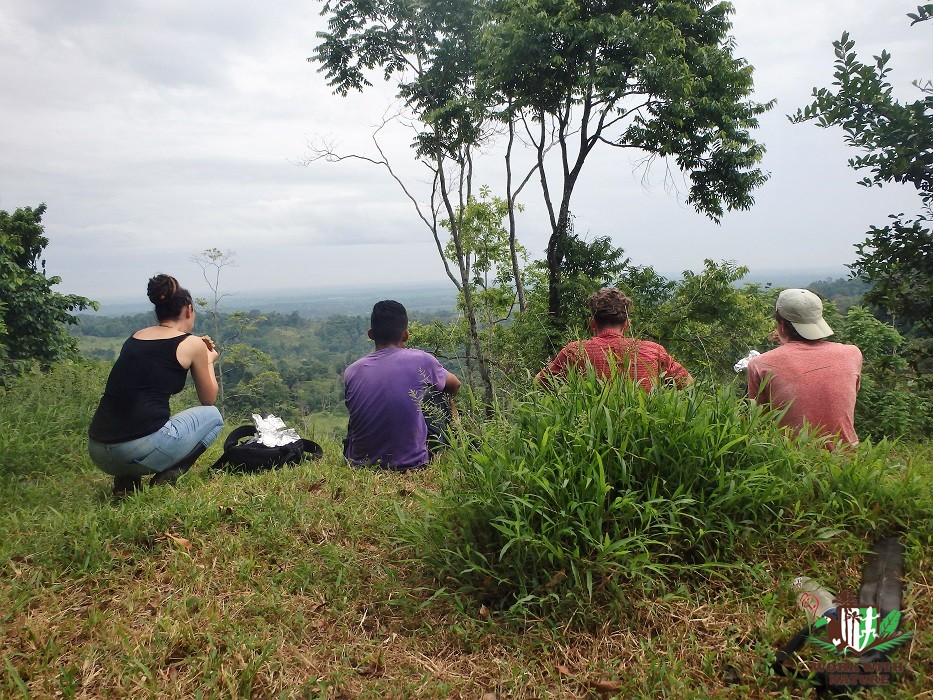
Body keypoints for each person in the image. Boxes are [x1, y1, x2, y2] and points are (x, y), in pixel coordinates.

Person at [88, 274, 224, 498]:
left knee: (139, 416)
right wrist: (208, 360)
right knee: (214, 416)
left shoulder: (135, 337)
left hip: (98, 450)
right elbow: (208, 399)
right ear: (188, 309)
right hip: (137, 450)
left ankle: (126, 482)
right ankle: (168, 475)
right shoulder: (193, 342)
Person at [343, 300, 461, 471]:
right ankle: (456, 442)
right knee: (438, 394)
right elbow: (455, 385)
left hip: (360, 464)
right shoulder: (421, 359)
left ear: (371, 334)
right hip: (412, 464)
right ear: (405, 335)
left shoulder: (351, 371)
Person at [748, 288, 862, 447]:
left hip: (793, 464)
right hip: (847, 463)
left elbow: (758, 422)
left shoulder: (760, 364)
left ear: (781, 325)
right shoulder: (852, 354)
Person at [536, 287, 694, 390]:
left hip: (589, 435)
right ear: (627, 324)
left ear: (592, 323)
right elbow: (688, 384)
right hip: (645, 434)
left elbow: (539, 383)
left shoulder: (575, 351)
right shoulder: (654, 351)